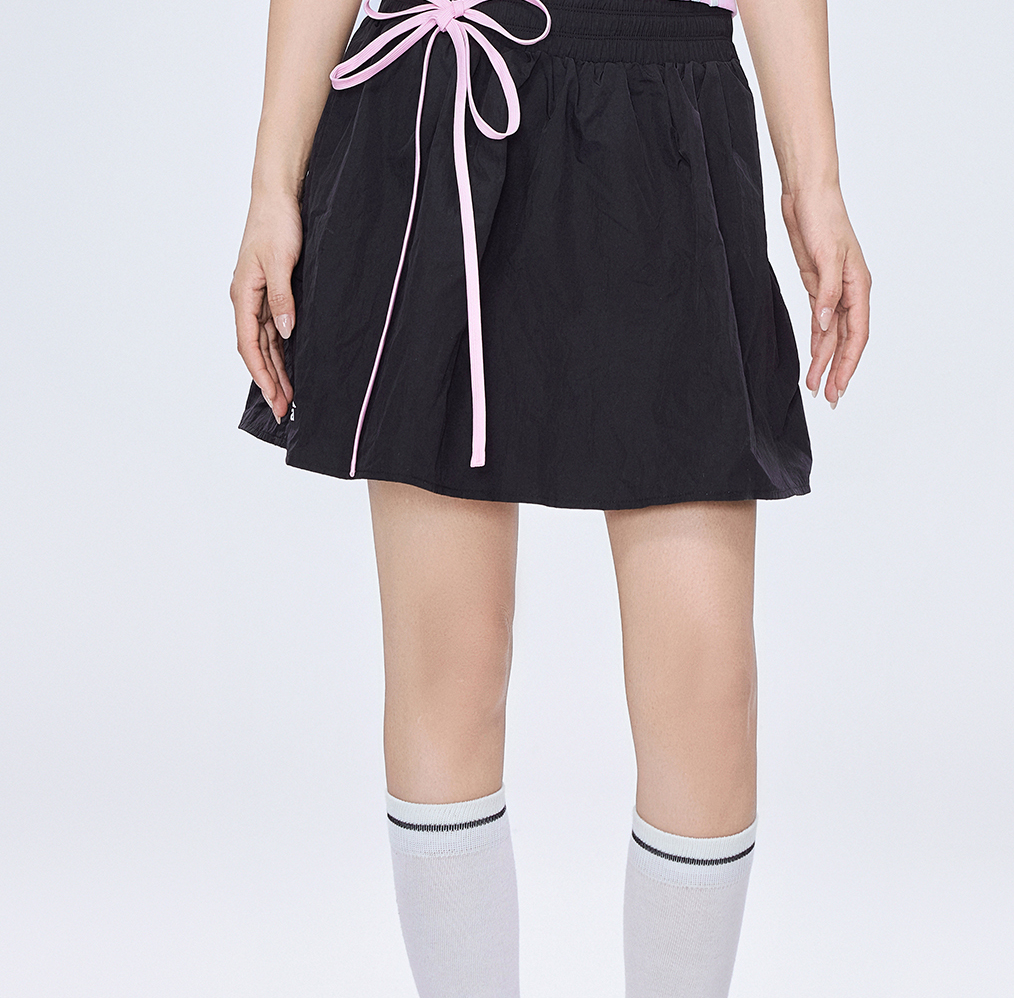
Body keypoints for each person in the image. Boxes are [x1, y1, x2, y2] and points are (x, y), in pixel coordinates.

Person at [229, 0, 869, 992]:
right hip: (440, 113)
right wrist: (272, 183)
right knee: (449, 664)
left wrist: (814, 182)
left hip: (665, 108)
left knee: (708, 685)